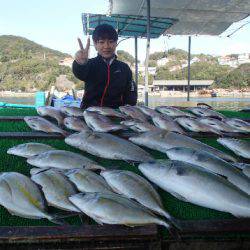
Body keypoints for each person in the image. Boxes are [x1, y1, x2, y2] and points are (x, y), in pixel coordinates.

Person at [72, 24, 137, 109]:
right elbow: (80, 73)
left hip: (115, 114)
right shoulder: (90, 64)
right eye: (101, 42)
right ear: (95, 44)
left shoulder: (124, 68)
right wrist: (80, 63)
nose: (106, 46)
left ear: (116, 43)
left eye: (110, 41)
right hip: (89, 114)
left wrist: (128, 108)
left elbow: (131, 91)